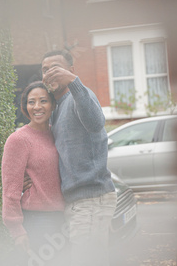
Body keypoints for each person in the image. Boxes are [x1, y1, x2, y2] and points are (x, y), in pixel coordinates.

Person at [41, 50, 117, 266]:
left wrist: (74, 83)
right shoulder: (56, 107)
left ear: (70, 70)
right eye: (45, 69)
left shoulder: (80, 95)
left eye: (55, 67)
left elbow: (95, 123)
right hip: (81, 202)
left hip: (90, 199)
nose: (49, 73)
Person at [1, 81, 67, 266]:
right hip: (37, 221)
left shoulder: (58, 133)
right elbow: (10, 190)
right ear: (25, 106)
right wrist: (17, 231)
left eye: (43, 101)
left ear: (53, 105)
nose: (37, 107)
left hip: (64, 219)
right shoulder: (18, 140)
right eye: (31, 102)